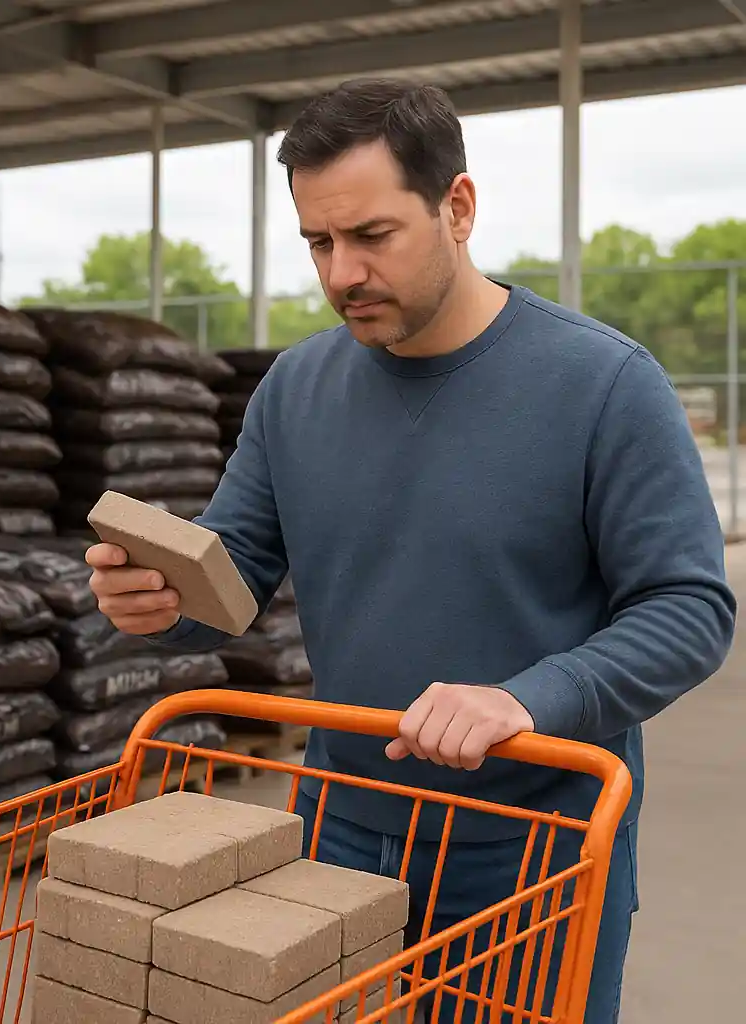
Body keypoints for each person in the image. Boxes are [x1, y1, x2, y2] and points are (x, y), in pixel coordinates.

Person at [85, 80, 735, 1023]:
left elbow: (688, 608)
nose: (342, 272)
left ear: (457, 208)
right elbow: (234, 577)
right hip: (335, 829)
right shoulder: (294, 389)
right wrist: (161, 601)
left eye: (372, 235)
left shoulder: (605, 385)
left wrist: (525, 698)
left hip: (531, 846)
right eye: (319, 241)